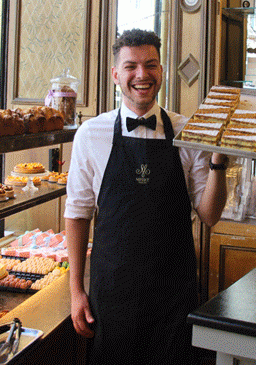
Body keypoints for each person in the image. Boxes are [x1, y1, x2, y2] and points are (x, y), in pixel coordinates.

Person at [65, 29, 228, 365]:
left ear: (162, 71)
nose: (142, 75)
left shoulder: (187, 131)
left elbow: (209, 215)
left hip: (173, 294)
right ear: (115, 75)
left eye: (150, 65)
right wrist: (76, 291)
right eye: (130, 66)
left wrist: (219, 162)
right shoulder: (90, 133)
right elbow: (77, 215)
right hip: (112, 295)